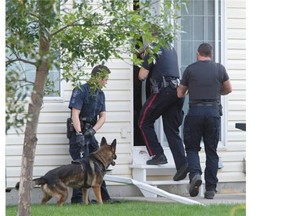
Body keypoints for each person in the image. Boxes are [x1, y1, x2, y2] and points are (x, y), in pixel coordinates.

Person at [177, 43, 232, 199]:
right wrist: (216, 91)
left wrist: (187, 89)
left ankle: (195, 174)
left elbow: (180, 93)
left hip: (195, 111)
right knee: (211, 151)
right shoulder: (219, 69)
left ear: (197, 53)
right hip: (213, 112)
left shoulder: (190, 69)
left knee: (192, 148)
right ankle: (210, 189)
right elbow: (228, 88)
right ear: (211, 54)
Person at [67, 65, 118, 204]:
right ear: (97, 77)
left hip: (90, 133)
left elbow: (103, 117)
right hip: (78, 132)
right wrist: (79, 134)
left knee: (99, 165)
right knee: (80, 166)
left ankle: (105, 198)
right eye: (105, 79)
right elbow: (75, 114)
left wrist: (93, 131)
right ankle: (77, 200)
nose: (106, 82)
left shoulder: (101, 94)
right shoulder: (80, 90)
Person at [138, 43, 189, 181]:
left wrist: (143, 60)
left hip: (163, 90)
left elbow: (142, 75)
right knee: (171, 129)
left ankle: (157, 155)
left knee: (143, 121)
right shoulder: (171, 48)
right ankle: (182, 164)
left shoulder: (153, 48)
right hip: (177, 91)